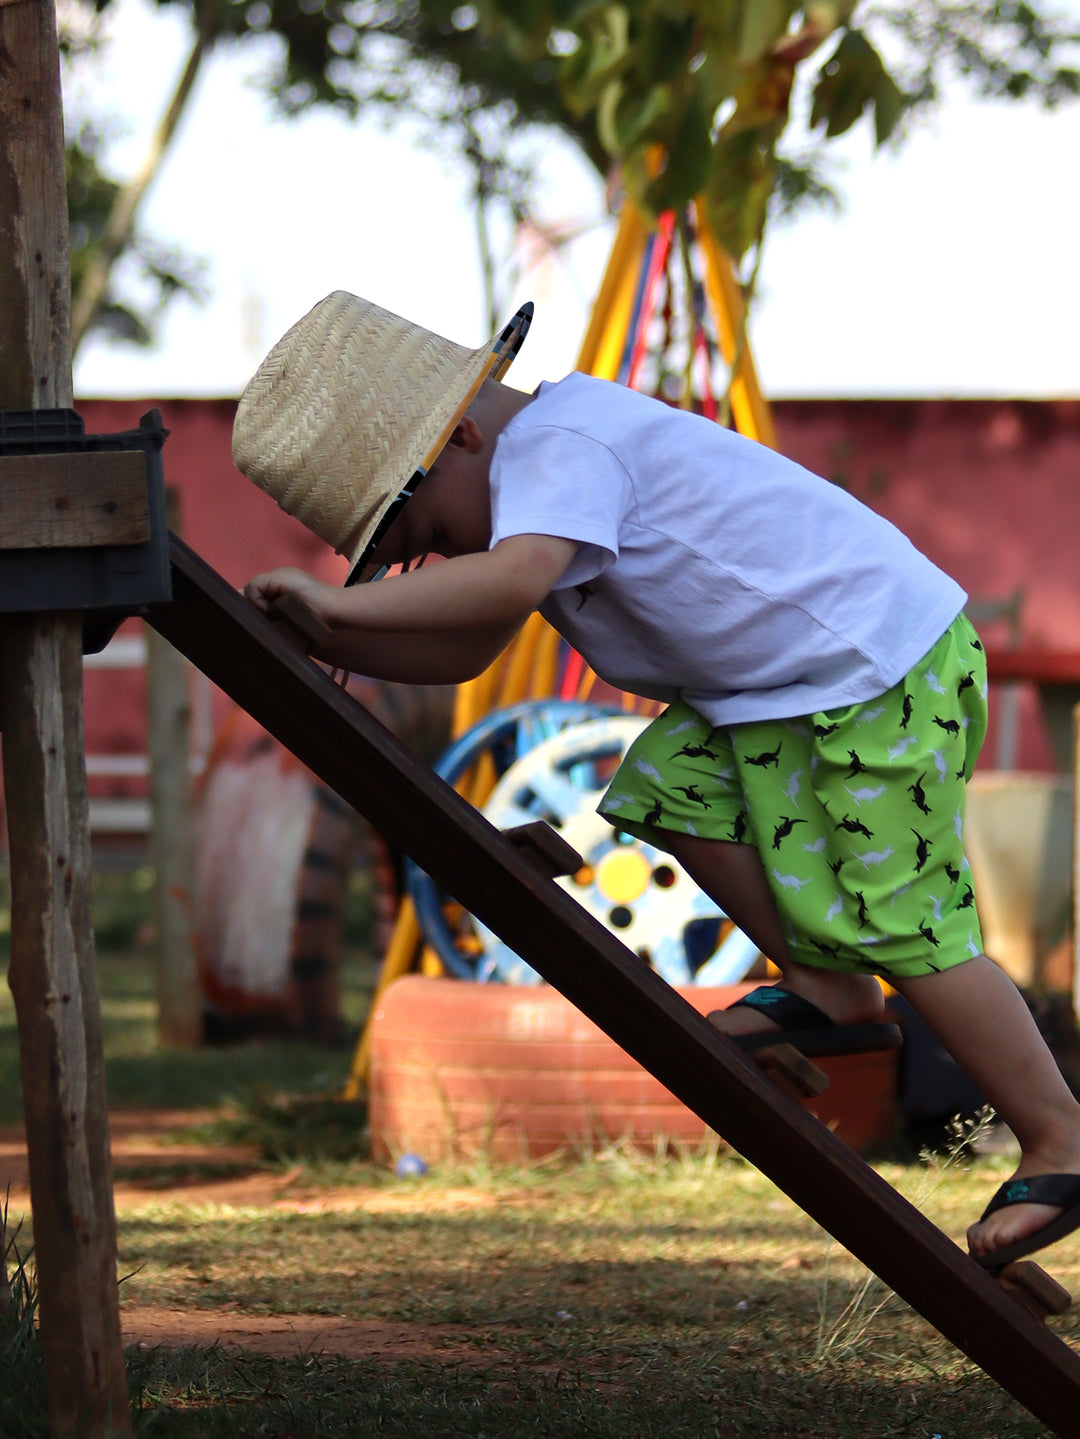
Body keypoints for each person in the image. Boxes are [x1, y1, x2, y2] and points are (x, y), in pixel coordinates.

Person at [236, 290, 1080, 1271]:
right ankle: (831, 990)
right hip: (784, 693)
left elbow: (499, 587)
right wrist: (337, 631)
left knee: (896, 912)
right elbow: (468, 648)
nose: (434, 556)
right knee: (670, 781)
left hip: (882, 665)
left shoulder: (560, 447)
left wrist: (339, 613)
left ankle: (1059, 1132)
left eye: (419, 528)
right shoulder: (529, 479)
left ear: (459, 434)